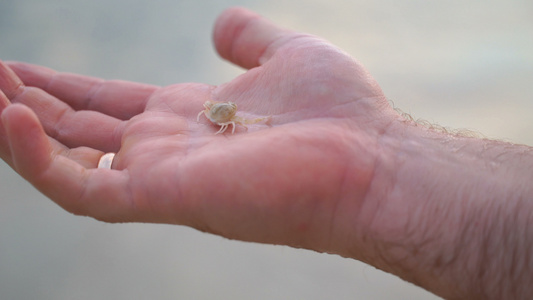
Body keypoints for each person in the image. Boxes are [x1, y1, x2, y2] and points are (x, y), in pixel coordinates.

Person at [0, 7, 531, 300]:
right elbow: (221, 115)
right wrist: (385, 161)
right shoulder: (221, 114)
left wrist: (379, 161)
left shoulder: (234, 117)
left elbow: (230, 117)